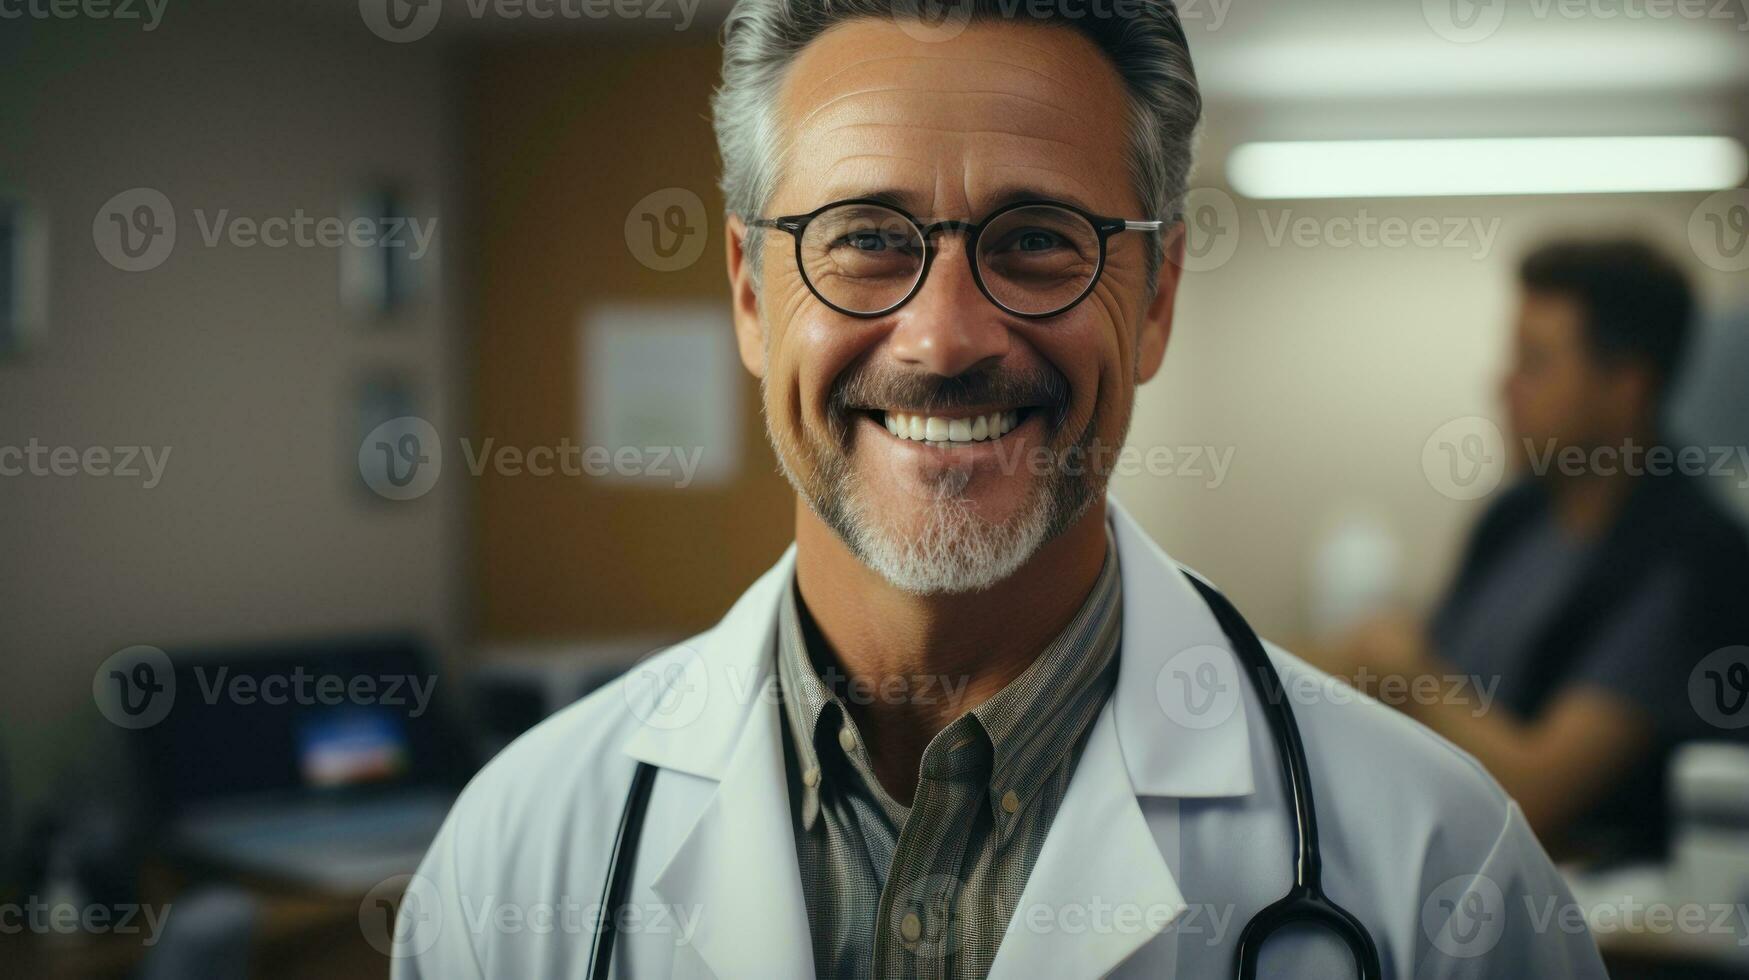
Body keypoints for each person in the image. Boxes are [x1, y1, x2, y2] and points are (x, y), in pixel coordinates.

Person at [394, 2, 1606, 976]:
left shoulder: (1440, 872)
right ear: (753, 292)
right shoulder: (511, 861)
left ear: (1159, 296)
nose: (943, 335)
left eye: (1035, 237)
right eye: (865, 234)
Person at [1319, 239, 1749, 865]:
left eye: (1534, 362)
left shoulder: (1695, 559)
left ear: (1626, 385)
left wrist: (1406, 674)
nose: (1503, 385)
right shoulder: (1513, 516)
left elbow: (1537, 793)